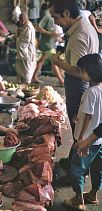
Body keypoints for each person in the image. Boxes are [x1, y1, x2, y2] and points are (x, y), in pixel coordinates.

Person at [49, 0, 99, 137]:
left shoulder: (79, 35)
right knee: (79, 125)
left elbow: (78, 71)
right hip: (79, 85)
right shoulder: (82, 27)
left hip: (78, 86)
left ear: (66, 13)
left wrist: (56, 62)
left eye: (55, 17)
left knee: (78, 126)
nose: (55, 22)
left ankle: (78, 153)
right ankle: (76, 153)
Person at [63, 53, 102, 211]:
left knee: (77, 168)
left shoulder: (90, 92)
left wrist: (80, 139)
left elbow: (88, 117)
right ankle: (93, 194)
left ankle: (78, 199)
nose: (80, 74)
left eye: (82, 71)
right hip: (99, 140)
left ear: (90, 71)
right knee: (98, 168)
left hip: (87, 140)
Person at [32, 1, 64, 85]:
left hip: (49, 42)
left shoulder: (47, 14)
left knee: (42, 60)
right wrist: (51, 34)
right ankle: (61, 81)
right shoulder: (46, 15)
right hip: (47, 43)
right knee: (55, 61)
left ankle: (34, 76)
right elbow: (38, 28)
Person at [15, 12, 36, 84]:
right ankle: (23, 84)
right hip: (26, 52)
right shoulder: (27, 26)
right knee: (22, 69)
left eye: (20, 20)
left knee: (27, 70)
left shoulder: (28, 27)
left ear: (23, 20)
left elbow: (25, 41)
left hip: (27, 53)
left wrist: (18, 37)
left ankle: (26, 86)